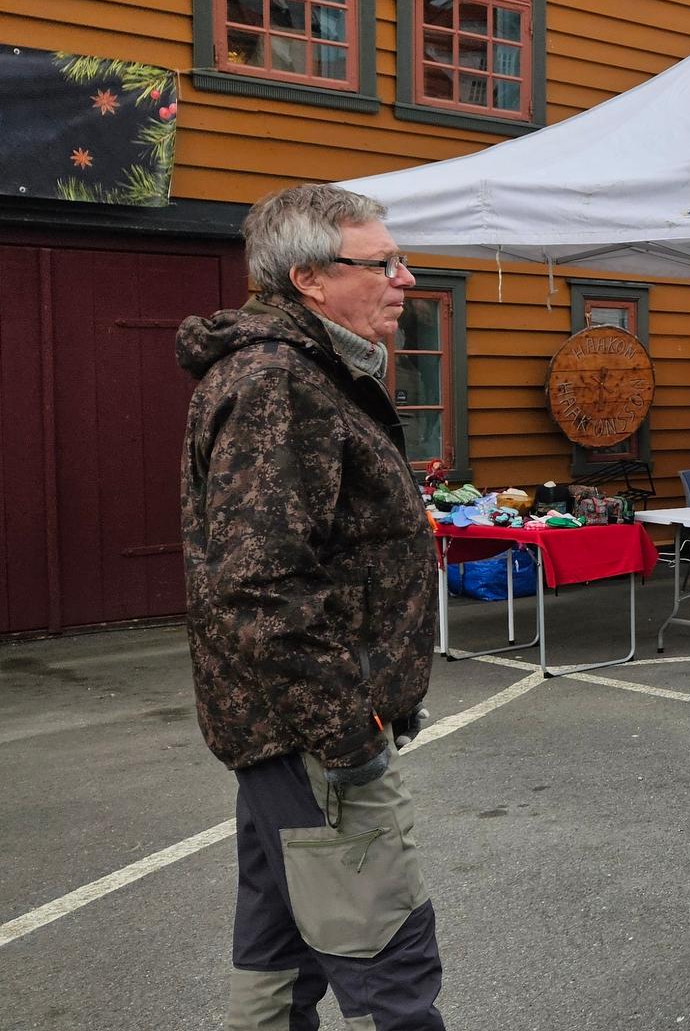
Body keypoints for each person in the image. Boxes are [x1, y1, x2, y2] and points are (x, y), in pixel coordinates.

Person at [179, 183, 445, 1029]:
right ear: (310, 279)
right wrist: (348, 731)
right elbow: (260, 583)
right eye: (383, 264)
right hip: (310, 736)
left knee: (279, 949)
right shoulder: (279, 382)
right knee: (387, 958)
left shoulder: (313, 372)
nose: (404, 279)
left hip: (285, 732)